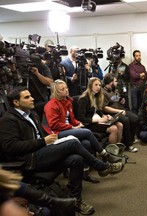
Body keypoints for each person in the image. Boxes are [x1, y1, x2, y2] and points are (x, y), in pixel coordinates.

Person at [0, 86, 123, 215]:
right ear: (16, 102)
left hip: (42, 149)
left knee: (77, 159)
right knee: (73, 143)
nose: (32, 99)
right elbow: (11, 147)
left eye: (31, 96)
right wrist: (44, 141)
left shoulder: (32, 114)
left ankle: (77, 200)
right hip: (29, 159)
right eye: (27, 97)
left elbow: (40, 136)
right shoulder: (8, 120)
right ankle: (102, 166)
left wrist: (47, 141)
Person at [42, 80, 123, 183]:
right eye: (62, 89)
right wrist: (72, 127)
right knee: (87, 132)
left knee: (86, 143)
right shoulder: (51, 105)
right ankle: (105, 155)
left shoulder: (67, 101)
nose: (66, 90)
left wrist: (77, 123)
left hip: (68, 129)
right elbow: (54, 124)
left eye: (66, 87)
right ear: (56, 92)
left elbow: (72, 118)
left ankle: (85, 173)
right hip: (56, 133)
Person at [77, 77, 123, 145]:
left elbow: (98, 110)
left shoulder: (96, 96)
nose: (98, 87)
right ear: (90, 86)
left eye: (99, 85)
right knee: (114, 129)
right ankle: (112, 151)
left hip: (97, 120)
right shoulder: (84, 99)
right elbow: (81, 118)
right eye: (96, 85)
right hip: (89, 123)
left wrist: (104, 116)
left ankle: (118, 147)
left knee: (120, 125)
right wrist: (99, 120)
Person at [102, 73, 139, 153]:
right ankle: (128, 145)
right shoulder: (103, 92)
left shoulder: (113, 89)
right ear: (110, 82)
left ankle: (130, 140)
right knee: (125, 120)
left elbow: (115, 99)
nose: (117, 83)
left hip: (120, 109)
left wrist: (121, 101)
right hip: (112, 112)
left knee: (135, 118)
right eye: (115, 81)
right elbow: (104, 107)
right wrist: (119, 111)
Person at [128, 50, 147, 114]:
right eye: (137, 56)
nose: (139, 57)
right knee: (135, 105)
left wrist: (139, 76)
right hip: (134, 88)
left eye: (139, 55)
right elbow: (134, 76)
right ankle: (134, 121)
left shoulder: (142, 66)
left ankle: (139, 120)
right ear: (134, 57)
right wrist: (141, 75)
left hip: (142, 88)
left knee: (141, 105)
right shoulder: (131, 66)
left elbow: (146, 76)